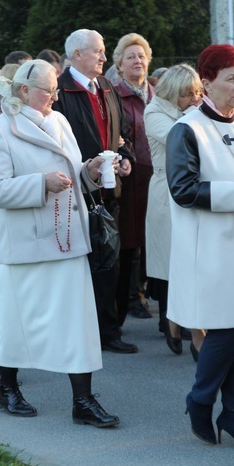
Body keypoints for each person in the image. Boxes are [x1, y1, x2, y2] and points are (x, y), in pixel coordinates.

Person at [0, 59, 120, 427]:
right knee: (19, 321)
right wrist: (40, 183)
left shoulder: (58, 121)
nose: (54, 97)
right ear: (24, 90)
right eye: (48, 90)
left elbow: (72, 174)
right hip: (26, 243)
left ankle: (83, 401)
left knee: (79, 322)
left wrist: (90, 171)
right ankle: (6, 387)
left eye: (55, 90)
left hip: (67, 237)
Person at [166, 45, 234, 449]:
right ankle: (199, 400)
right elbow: (182, 190)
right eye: (231, 78)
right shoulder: (188, 128)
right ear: (206, 82)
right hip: (211, 248)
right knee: (227, 330)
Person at [53, 28, 137, 354]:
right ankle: (78, 333)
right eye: (98, 52)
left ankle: (108, 332)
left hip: (109, 191)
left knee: (109, 264)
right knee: (79, 267)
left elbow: (121, 134)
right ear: (77, 55)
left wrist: (125, 158)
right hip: (75, 192)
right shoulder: (60, 91)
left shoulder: (106, 86)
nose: (104, 57)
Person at [144, 64, 206, 357]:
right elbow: (180, 139)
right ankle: (177, 324)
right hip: (165, 193)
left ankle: (185, 324)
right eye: (188, 94)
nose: (195, 99)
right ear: (172, 92)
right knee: (173, 266)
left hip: (192, 190)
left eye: (198, 92)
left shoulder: (191, 110)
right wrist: (201, 113)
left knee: (191, 263)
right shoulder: (154, 111)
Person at [112, 33, 155, 321]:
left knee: (151, 239)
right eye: (131, 56)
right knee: (129, 242)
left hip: (155, 177)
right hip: (129, 179)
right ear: (119, 64)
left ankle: (144, 293)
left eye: (141, 56)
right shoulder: (115, 94)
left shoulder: (157, 94)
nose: (137, 61)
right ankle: (128, 299)